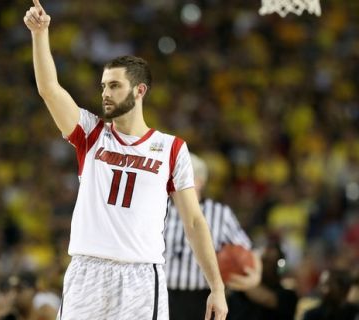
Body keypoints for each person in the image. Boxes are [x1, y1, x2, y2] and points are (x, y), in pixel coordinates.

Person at [23, 1, 228, 319]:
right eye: (103, 85)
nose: (105, 92)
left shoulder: (171, 148)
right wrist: (40, 34)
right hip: (86, 270)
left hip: (140, 276)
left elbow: (194, 221)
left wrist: (217, 287)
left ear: (140, 90)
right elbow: (50, 89)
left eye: (115, 86)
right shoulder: (91, 133)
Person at [165, 153, 261, 320]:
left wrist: (255, 276)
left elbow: (248, 249)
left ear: (200, 182)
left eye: (183, 176)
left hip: (203, 297)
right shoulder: (158, 208)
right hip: (162, 294)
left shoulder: (219, 213)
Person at [227, 240, 298, 320]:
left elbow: (265, 298)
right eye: (263, 260)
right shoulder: (240, 291)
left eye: (270, 262)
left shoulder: (288, 296)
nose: (264, 265)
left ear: (279, 269)